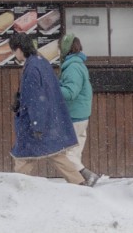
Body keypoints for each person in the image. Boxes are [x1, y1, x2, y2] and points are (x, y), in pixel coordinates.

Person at [10, 34, 82, 183]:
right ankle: (78, 181)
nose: (13, 54)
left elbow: (35, 98)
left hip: (35, 121)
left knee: (24, 157)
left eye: (14, 50)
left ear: (19, 49)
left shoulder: (32, 67)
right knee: (56, 153)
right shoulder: (41, 62)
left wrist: (37, 124)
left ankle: (19, 186)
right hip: (49, 117)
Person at [57, 34, 101, 185]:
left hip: (74, 116)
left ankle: (88, 176)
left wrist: (52, 87)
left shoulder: (72, 67)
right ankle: (80, 183)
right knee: (74, 153)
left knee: (64, 154)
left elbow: (70, 93)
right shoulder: (78, 64)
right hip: (81, 115)